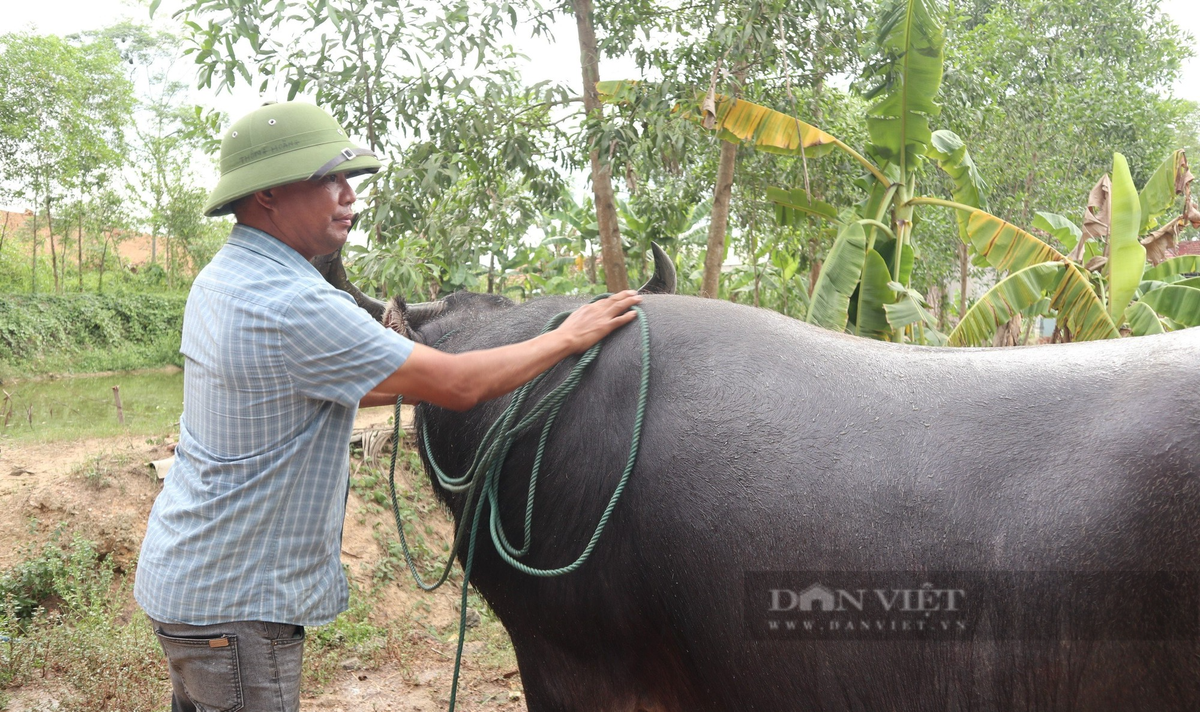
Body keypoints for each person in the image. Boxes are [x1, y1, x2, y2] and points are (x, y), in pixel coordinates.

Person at [133, 102, 640, 712]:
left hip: (188, 582)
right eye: (328, 180)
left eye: (349, 181)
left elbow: (304, 383)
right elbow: (455, 385)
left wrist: (410, 378)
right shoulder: (294, 302)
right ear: (267, 194)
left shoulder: (225, 278)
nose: (348, 196)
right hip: (237, 608)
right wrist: (565, 336)